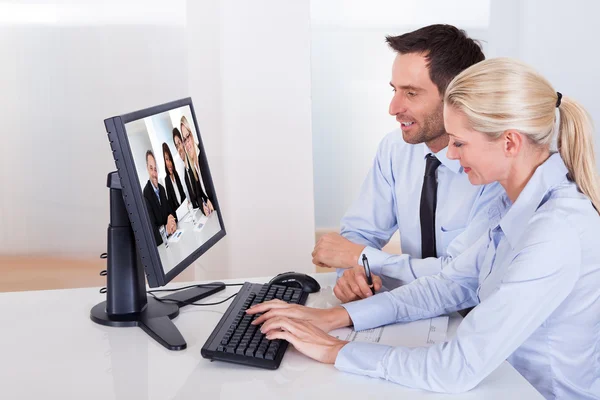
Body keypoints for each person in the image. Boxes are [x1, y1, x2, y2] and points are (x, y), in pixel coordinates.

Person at [248, 58, 600, 399]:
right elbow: (451, 286)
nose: (450, 155)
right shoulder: (508, 202)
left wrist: (333, 350)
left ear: (509, 142)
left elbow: (456, 368)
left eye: (459, 143)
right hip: (501, 377)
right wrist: (336, 318)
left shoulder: (555, 231)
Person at [311, 25, 504, 303]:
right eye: (395, 90)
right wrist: (354, 271)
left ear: (458, 97)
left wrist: (362, 256)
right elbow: (361, 232)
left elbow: (464, 276)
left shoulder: (494, 167)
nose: (393, 107)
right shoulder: (396, 148)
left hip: (473, 316)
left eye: (411, 93)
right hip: (411, 309)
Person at [179, 117, 215, 216]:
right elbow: (199, 195)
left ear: (193, 134)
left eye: (188, 136)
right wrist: (204, 205)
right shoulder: (194, 165)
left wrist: (213, 204)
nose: (187, 144)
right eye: (184, 140)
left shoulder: (204, 155)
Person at [143, 150, 178, 245]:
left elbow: (170, 210)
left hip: (172, 239)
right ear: (147, 168)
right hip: (162, 246)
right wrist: (166, 230)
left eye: (155, 169)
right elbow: (152, 232)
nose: (154, 174)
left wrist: (171, 217)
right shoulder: (145, 195)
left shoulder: (162, 189)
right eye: (151, 168)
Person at [162, 142, 186, 212]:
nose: (169, 163)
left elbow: (182, 194)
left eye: (170, 159)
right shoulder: (167, 180)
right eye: (166, 159)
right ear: (164, 161)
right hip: (178, 214)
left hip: (185, 210)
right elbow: (170, 203)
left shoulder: (176, 174)